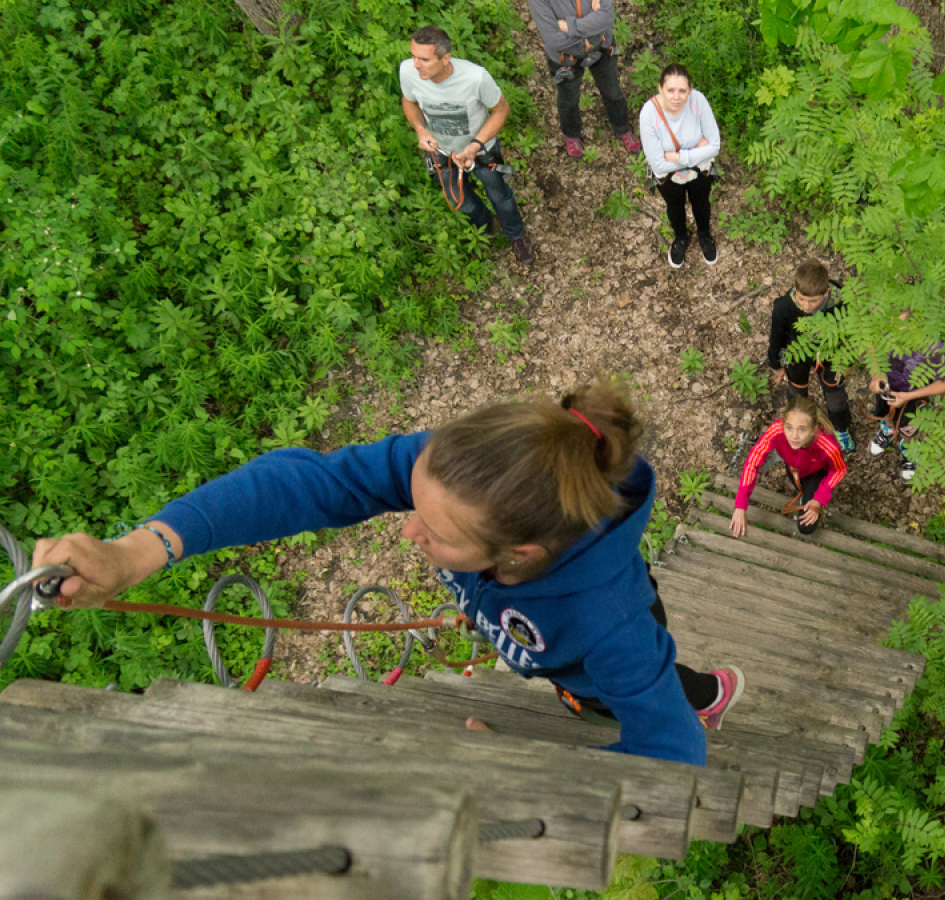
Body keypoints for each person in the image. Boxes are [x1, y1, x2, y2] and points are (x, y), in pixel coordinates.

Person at [33, 379, 744, 766]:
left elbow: (670, 756)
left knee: (632, 698)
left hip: (603, 661)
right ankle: (670, 691)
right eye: (414, 503)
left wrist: (528, 773)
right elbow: (309, 483)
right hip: (558, 650)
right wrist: (135, 552)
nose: (407, 530)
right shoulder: (462, 473)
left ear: (517, 557)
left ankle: (699, 693)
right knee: (603, 692)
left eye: (434, 536)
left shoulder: (611, 627)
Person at [400, 25, 534, 266]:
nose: (416, 64)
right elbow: (409, 102)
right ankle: (483, 228)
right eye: (413, 56)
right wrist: (420, 129)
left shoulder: (476, 78)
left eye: (424, 59)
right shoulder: (408, 72)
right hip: (441, 152)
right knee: (459, 200)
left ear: (446, 58)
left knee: (499, 196)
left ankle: (515, 235)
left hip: (481, 151)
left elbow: (501, 109)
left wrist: (475, 145)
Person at [526, 0, 641, 158]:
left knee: (612, 91)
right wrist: (592, 27)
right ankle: (572, 134)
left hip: (601, 47)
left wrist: (568, 26)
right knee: (568, 100)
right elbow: (553, 39)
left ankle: (622, 128)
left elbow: (607, 17)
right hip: (565, 58)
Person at [767, 259, 855, 453]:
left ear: (826, 293)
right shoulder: (784, 307)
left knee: (835, 395)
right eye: (801, 299)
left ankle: (840, 428)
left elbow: (851, 335)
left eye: (813, 301)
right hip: (797, 354)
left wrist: (848, 363)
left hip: (832, 354)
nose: (806, 306)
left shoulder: (842, 303)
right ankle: (797, 429)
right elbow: (776, 337)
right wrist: (777, 365)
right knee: (796, 392)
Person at [640, 65, 721, 268]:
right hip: (667, 176)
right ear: (660, 88)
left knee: (701, 203)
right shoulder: (649, 114)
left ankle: (704, 235)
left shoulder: (698, 101)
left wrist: (677, 156)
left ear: (690, 90)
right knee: (674, 206)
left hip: (700, 170)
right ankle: (681, 238)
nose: (677, 96)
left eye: (682, 91)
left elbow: (715, 146)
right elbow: (657, 162)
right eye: (670, 90)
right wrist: (696, 150)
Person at [730, 396, 847, 538]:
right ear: (784, 424)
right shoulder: (777, 430)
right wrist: (740, 505)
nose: (794, 436)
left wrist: (819, 498)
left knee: (806, 527)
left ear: (813, 429)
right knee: (799, 486)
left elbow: (839, 470)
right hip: (794, 467)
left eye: (802, 429)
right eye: (789, 427)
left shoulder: (827, 445)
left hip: (817, 472)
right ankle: (805, 493)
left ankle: (809, 495)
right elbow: (752, 462)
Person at [868, 340, 945, 482]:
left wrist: (908, 396)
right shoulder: (882, 321)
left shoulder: (934, 345)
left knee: (909, 426)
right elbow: (869, 343)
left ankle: (910, 449)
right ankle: (887, 431)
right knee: (885, 411)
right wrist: (876, 373)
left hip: (914, 394)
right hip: (886, 385)